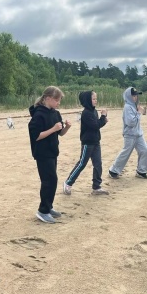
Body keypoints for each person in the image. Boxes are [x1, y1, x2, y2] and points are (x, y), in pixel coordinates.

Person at [28, 86, 72, 223]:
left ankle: (48, 206)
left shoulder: (55, 113)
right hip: (42, 153)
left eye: (59, 100)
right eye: (57, 100)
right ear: (47, 98)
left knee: (52, 181)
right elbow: (36, 136)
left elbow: (60, 133)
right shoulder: (38, 115)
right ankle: (43, 211)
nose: (59, 103)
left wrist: (66, 127)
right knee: (49, 181)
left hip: (53, 152)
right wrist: (53, 129)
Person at [63, 90, 109, 196]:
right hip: (87, 143)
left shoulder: (94, 111)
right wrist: (103, 117)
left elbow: (97, 125)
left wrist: (103, 120)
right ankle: (68, 183)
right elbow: (95, 125)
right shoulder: (86, 113)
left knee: (98, 164)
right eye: (93, 99)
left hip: (96, 141)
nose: (96, 100)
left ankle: (96, 187)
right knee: (82, 164)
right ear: (88, 100)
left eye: (96, 98)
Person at [108, 87, 147, 179]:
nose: (135, 97)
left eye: (136, 96)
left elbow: (137, 119)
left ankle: (141, 171)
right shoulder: (127, 107)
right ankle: (113, 170)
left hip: (138, 134)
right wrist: (139, 113)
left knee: (144, 150)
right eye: (133, 96)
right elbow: (130, 122)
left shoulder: (134, 106)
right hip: (130, 134)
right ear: (128, 96)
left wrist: (140, 111)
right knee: (126, 152)